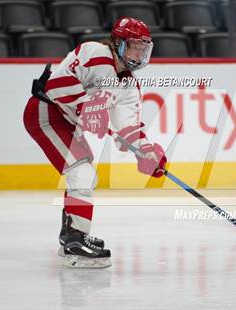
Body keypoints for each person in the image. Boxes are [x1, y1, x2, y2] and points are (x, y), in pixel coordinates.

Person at [23, 17, 167, 268]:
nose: (139, 53)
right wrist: (88, 109)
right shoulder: (96, 53)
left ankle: (71, 236)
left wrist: (145, 151)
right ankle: (74, 242)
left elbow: (128, 128)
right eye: (134, 46)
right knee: (82, 172)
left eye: (144, 48)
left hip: (65, 121)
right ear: (118, 43)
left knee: (84, 173)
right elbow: (56, 86)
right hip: (45, 114)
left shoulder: (129, 84)